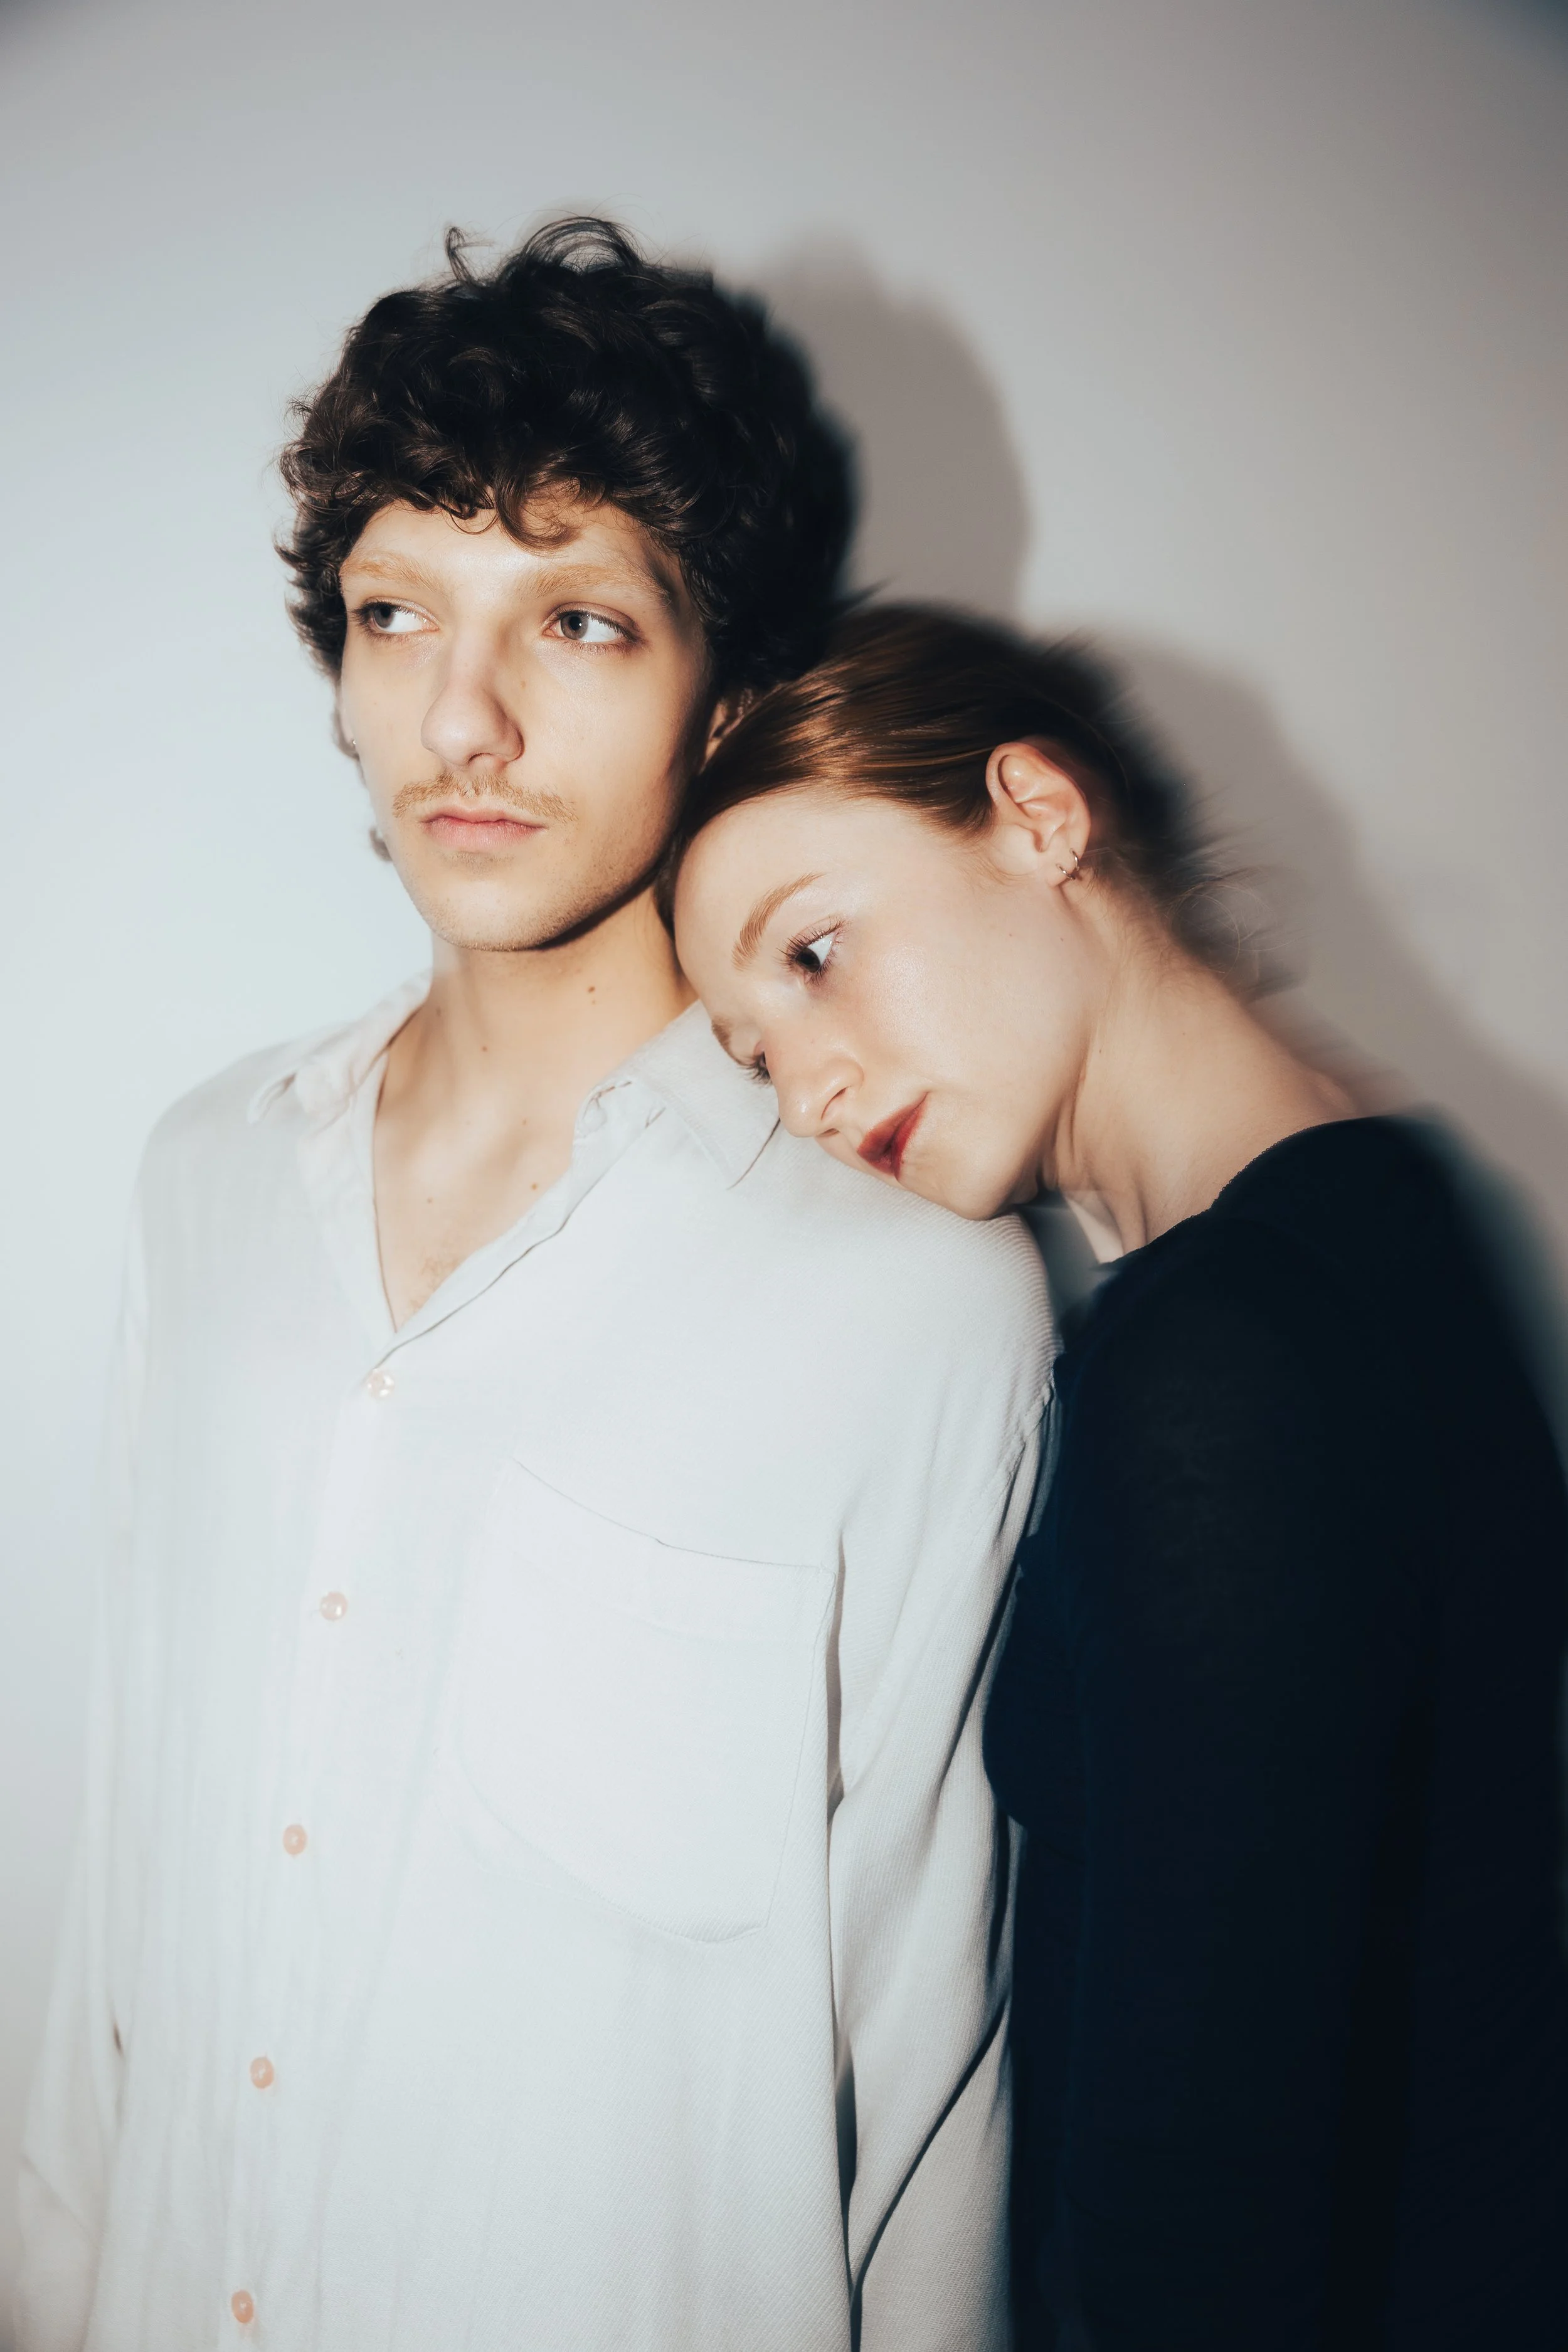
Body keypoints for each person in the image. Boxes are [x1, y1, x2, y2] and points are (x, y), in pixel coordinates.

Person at [18, 235, 1053, 2352]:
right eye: (398, 615)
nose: (462, 719)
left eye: (574, 621)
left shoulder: (911, 1304)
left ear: (728, 691)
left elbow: (932, 2076)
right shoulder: (205, 1181)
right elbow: (109, 1909)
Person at [670, 601, 1568, 2351]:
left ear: (1035, 814)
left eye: (815, 953)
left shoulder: (1214, 1360)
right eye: (754, 1049)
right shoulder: (1390, 1219)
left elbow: (1202, 2178)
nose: (806, 1082)